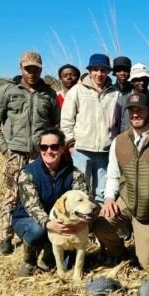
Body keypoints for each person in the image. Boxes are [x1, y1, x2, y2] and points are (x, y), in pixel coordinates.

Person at [0, 50, 60, 256]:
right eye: (28, 68)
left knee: (41, 195)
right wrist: (5, 149)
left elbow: (56, 124)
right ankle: (5, 238)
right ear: (21, 68)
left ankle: (40, 237)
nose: (32, 73)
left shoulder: (49, 94)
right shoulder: (7, 91)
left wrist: (50, 148)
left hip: (41, 154)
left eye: (36, 69)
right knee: (13, 195)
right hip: (16, 153)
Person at [93, 93, 149, 268]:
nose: (135, 114)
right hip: (126, 201)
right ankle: (120, 253)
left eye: (140, 110)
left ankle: (146, 246)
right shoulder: (118, 141)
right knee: (99, 224)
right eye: (132, 110)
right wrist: (109, 199)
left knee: (147, 263)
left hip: (148, 210)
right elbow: (112, 174)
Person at [12, 128, 89, 276]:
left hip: (60, 220)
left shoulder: (74, 174)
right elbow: (32, 206)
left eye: (54, 147)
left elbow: (83, 199)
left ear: (62, 148)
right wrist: (49, 224)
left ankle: (50, 253)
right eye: (43, 147)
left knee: (67, 264)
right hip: (29, 219)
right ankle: (30, 261)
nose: (49, 151)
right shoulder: (27, 173)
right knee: (37, 231)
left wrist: (82, 222)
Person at [60, 53, 120, 204]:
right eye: (96, 69)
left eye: (103, 70)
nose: (99, 74)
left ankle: (100, 225)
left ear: (108, 72)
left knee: (102, 192)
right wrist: (71, 144)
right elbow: (66, 120)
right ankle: (81, 226)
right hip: (81, 150)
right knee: (81, 191)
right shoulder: (77, 90)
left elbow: (119, 122)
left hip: (105, 151)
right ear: (90, 70)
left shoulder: (115, 93)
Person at [112, 62, 149, 137]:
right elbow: (115, 127)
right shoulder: (122, 101)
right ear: (132, 81)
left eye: (145, 79)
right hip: (125, 144)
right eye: (138, 79)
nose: (142, 82)